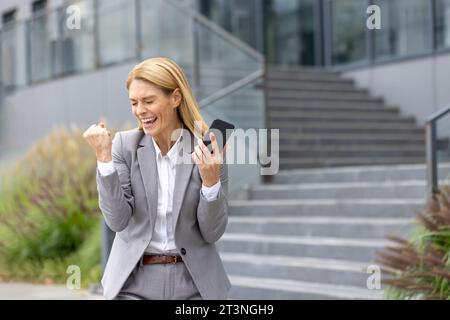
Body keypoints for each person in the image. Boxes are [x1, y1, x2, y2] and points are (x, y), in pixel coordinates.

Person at [83, 57, 230, 300]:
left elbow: (212, 233)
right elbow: (118, 221)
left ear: (175, 97)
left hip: (194, 284)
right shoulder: (125, 146)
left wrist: (210, 182)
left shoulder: (208, 150)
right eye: (134, 102)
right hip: (134, 283)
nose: (140, 111)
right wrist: (104, 159)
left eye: (148, 101)